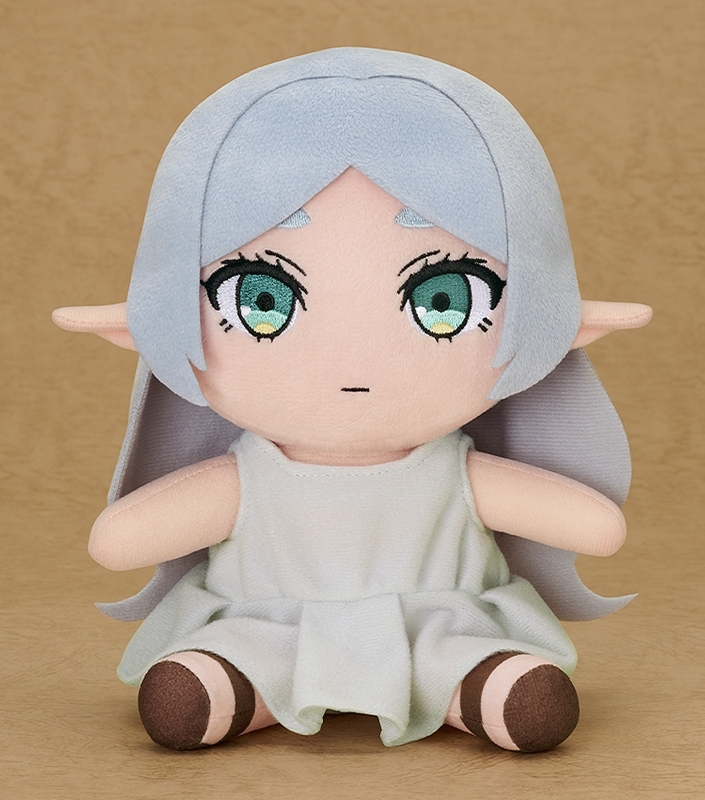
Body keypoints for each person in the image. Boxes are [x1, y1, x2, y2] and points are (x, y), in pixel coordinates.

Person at [53, 47, 651, 753]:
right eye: (262, 299)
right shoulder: (249, 479)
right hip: (267, 621)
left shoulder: (452, 472)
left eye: (444, 298)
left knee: (467, 660)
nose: (355, 357)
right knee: (229, 662)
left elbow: (593, 526)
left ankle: (476, 686)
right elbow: (119, 542)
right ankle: (233, 685)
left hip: (435, 623)